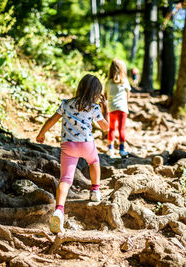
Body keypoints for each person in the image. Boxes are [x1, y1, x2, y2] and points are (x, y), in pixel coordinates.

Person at [36, 74, 109, 234]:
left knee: (65, 179)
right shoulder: (94, 107)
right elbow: (105, 127)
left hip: (68, 145)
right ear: (96, 93)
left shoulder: (66, 104)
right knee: (94, 162)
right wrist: (106, 108)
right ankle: (95, 190)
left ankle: (59, 210)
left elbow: (52, 119)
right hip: (86, 144)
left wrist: (42, 133)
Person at [105, 59, 131, 157]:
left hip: (111, 108)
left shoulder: (108, 83)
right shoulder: (125, 82)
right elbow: (128, 96)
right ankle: (121, 150)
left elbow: (105, 96)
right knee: (121, 129)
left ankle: (110, 149)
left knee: (111, 129)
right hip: (123, 109)